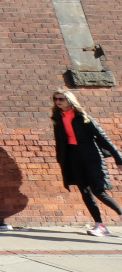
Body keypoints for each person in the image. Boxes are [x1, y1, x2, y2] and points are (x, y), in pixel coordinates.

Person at [52, 89, 122, 236]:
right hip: (72, 156)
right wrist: (61, 160)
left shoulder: (82, 117)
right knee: (84, 191)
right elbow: (60, 142)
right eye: (56, 99)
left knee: (98, 191)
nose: (58, 101)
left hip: (91, 156)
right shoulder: (58, 119)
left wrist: (118, 158)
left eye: (62, 99)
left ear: (70, 100)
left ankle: (120, 213)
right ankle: (100, 225)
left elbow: (103, 137)